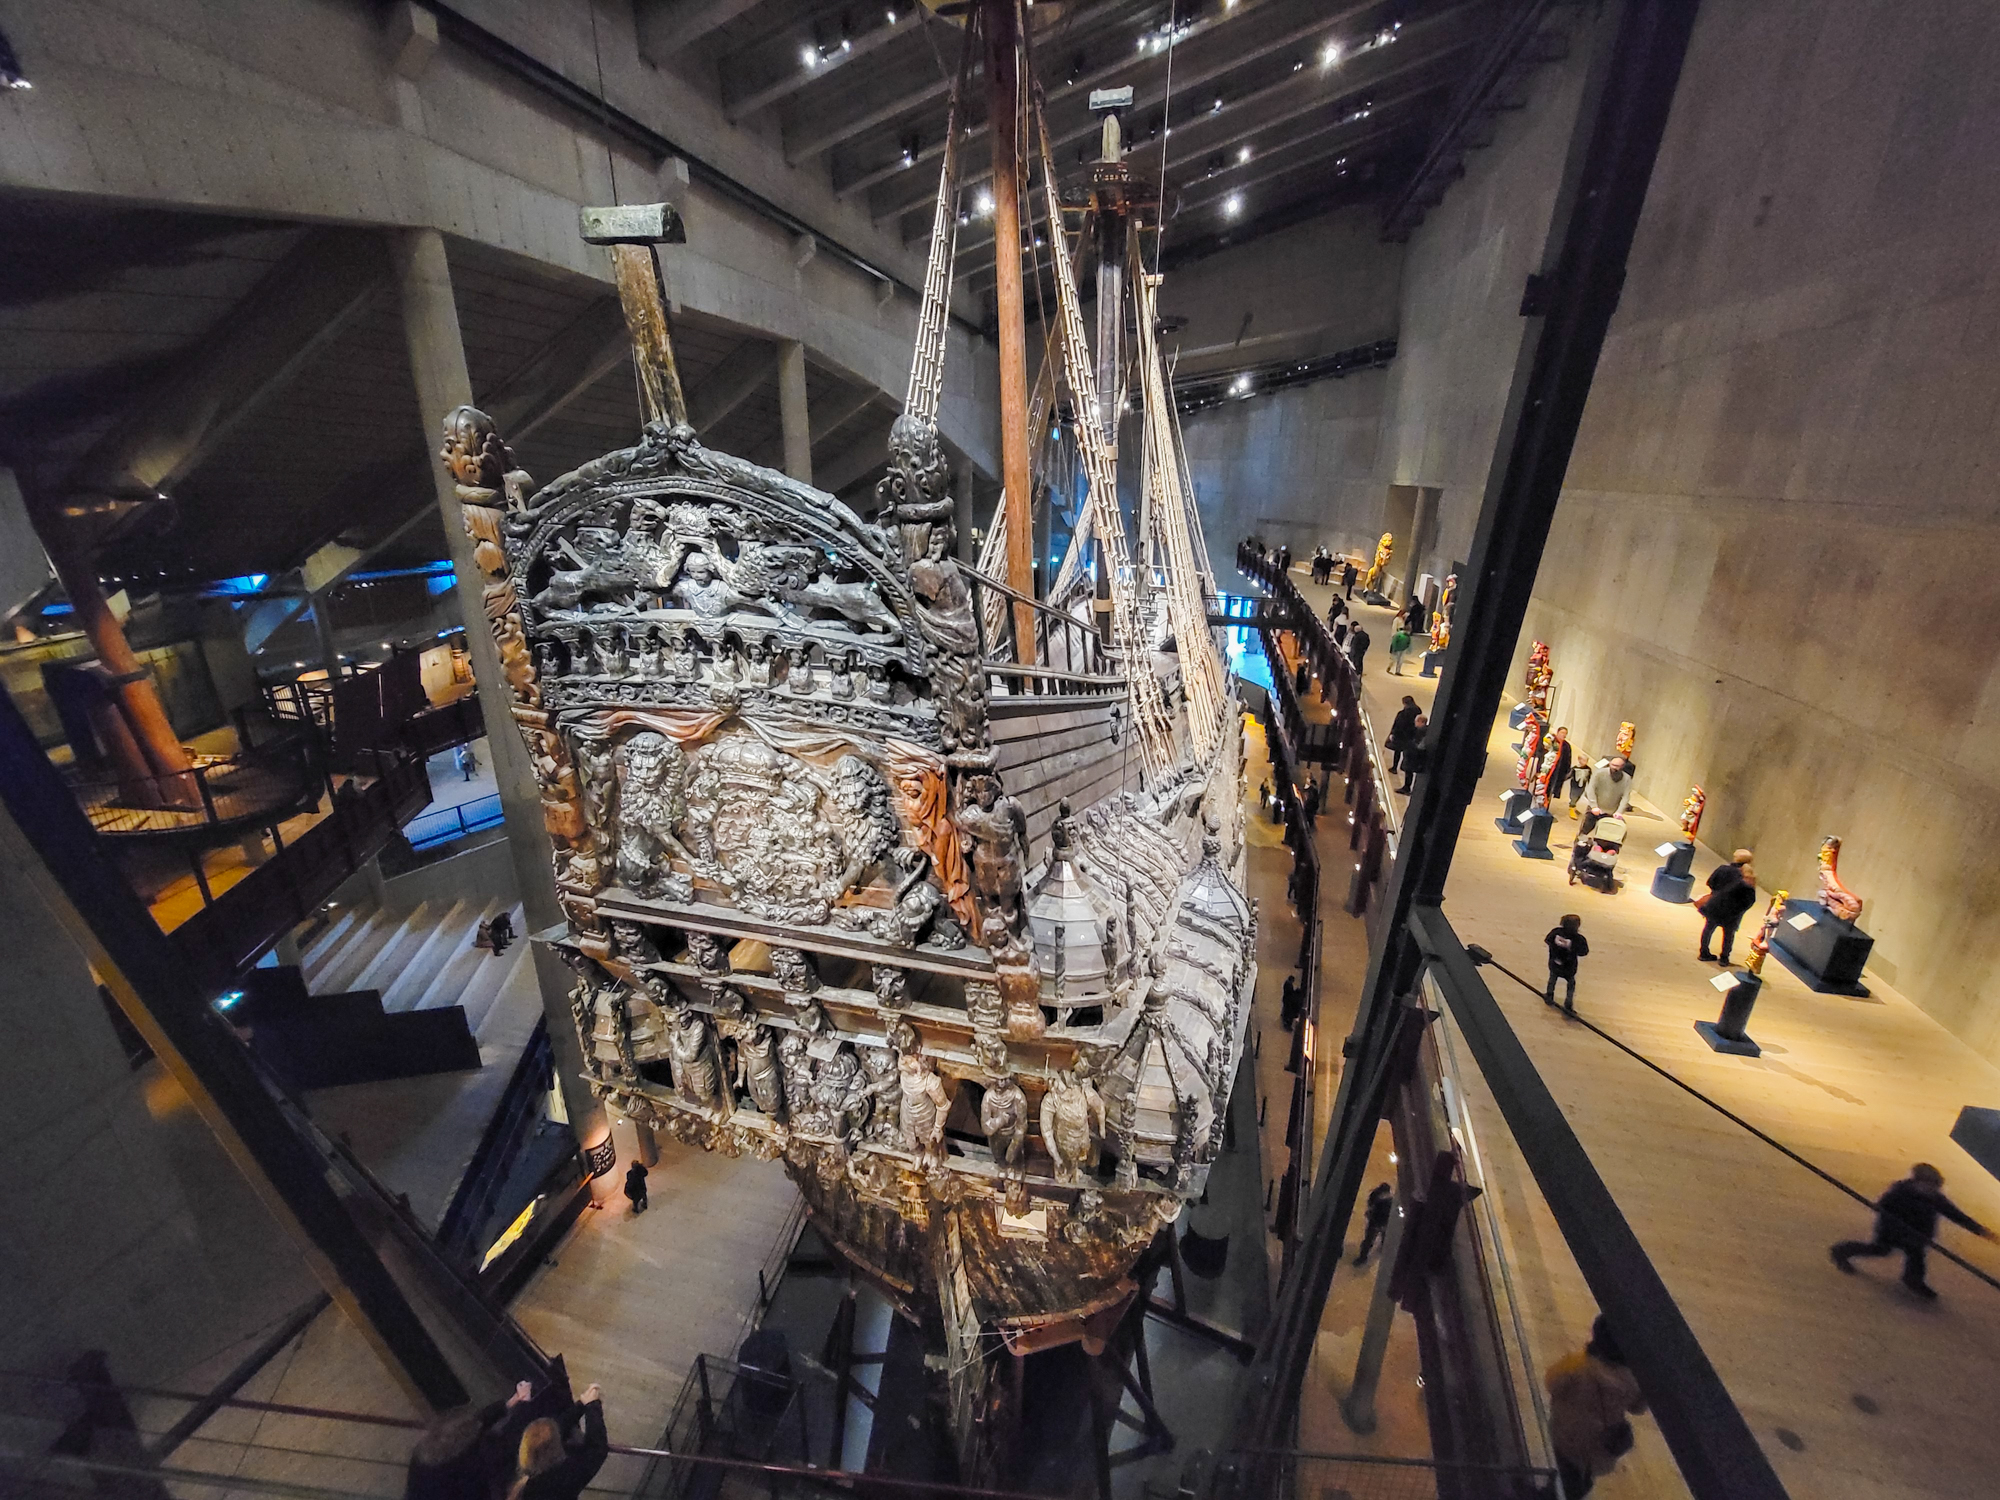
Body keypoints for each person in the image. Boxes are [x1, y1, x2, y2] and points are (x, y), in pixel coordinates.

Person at [1831, 1163, 1995, 1298]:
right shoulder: (1900, 1193)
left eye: (1935, 1187)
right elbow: (1882, 1207)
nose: (1933, 1190)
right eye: (1930, 1186)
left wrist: (1980, 1231)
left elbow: (1956, 1215)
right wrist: (1891, 1222)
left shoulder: (1936, 1198)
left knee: (1916, 1257)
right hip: (1892, 1231)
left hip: (1917, 1235)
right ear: (1917, 1182)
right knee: (1881, 1249)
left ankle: (1913, 1280)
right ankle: (1841, 1250)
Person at [1541, 1317, 1647, 1499]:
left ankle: (1547, 1495)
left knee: (1563, 1471)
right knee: (1580, 1477)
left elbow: (1552, 1382)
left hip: (1568, 1435)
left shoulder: (1579, 1365)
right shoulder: (1632, 1380)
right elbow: (1637, 1408)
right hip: (1599, 1447)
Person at [405, 1381, 534, 1500]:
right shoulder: (469, 1471)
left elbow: (474, 1422)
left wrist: (512, 1402)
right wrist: (524, 1408)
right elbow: (506, 1444)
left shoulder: (425, 1452)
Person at [505, 1386, 608, 1500]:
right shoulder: (562, 1480)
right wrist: (592, 1406)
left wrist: (581, 1405)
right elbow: (597, 1448)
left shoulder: (519, 1476)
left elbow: (550, 1435)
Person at [1695, 850, 1759, 964]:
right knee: (1728, 934)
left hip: (1715, 905)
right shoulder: (1747, 877)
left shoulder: (1722, 869)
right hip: (1733, 911)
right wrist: (1739, 910)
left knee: (1708, 929)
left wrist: (1716, 894)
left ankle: (1703, 952)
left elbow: (1710, 883)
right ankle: (1724, 958)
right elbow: (1750, 899)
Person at [1574, 754, 1632, 844]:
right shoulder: (1599, 773)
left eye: (1616, 766)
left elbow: (1626, 796)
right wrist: (1594, 806)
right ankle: (1578, 847)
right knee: (1584, 831)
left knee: (1605, 836)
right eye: (1612, 764)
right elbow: (1590, 790)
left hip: (1611, 812)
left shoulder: (1627, 779)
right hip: (1595, 809)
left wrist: (1619, 811)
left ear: (1622, 767)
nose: (1613, 767)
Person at [1544, 914, 1589, 1012]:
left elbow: (1548, 940)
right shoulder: (1578, 939)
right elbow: (1584, 952)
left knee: (1552, 979)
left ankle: (1549, 994)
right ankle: (1568, 1004)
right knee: (1571, 984)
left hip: (1554, 963)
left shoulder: (1556, 932)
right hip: (1569, 967)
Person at [1354, 1183, 1394, 1265]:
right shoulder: (1389, 1201)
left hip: (1376, 1222)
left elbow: (1370, 1207)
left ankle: (1362, 1258)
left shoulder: (1376, 1196)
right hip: (1379, 1222)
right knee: (1372, 1239)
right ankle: (1364, 1256)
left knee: (1369, 1240)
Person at [1386, 696, 1420, 773]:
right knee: (1407, 754)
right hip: (1411, 736)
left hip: (1400, 735)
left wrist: (1393, 733)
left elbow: (1397, 724)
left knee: (1397, 751)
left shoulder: (1402, 714)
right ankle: (1405, 769)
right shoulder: (1418, 712)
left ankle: (1394, 768)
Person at [1396, 714, 1427, 795]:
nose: (1415, 723)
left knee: (1409, 771)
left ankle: (1406, 787)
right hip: (1416, 755)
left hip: (1413, 756)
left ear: (1421, 722)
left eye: (1416, 721)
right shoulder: (1426, 731)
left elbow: (1415, 743)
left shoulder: (1420, 731)